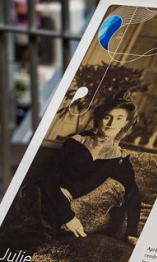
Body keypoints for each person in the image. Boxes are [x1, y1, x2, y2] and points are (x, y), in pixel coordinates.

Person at [35, 97, 142, 247]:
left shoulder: (120, 159)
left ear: (125, 123)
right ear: (99, 120)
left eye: (119, 118)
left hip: (57, 210)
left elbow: (134, 197)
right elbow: (48, 179)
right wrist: (69, 217)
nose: (112, 123)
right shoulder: (76, 142)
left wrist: (131, 234)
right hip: (41, 196)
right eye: (107, 117)